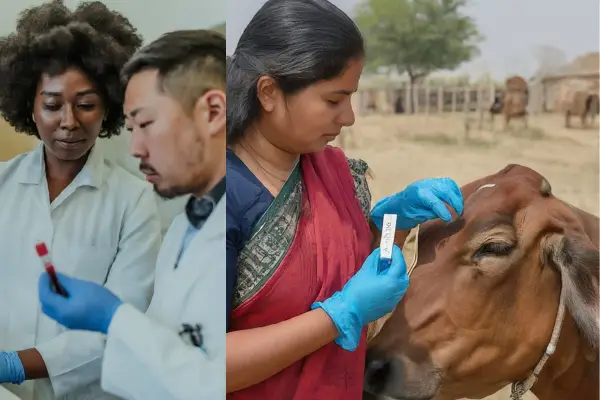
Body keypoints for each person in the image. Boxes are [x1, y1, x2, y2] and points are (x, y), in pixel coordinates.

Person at [225, 0, 464, 399]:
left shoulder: (336, 174)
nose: (348, 117)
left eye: (350, 98)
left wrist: (392, 224)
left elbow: (354, 276)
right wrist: (340, 316)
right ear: (268, 92)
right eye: (333, 100)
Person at [38, 29, 227, 400]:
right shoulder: (186, 226)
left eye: (145, 124)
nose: (136, 148)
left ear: (214, 112)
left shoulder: (263, 215)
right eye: (130, 128)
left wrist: (114, 318)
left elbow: (214, 384)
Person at [0, 2, 162, 399]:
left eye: (86, 104)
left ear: (107, 106)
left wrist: (19, 363)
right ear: (29, 108)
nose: (69, 121)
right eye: (52, 105)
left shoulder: (134, 201)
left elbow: (123, 321)